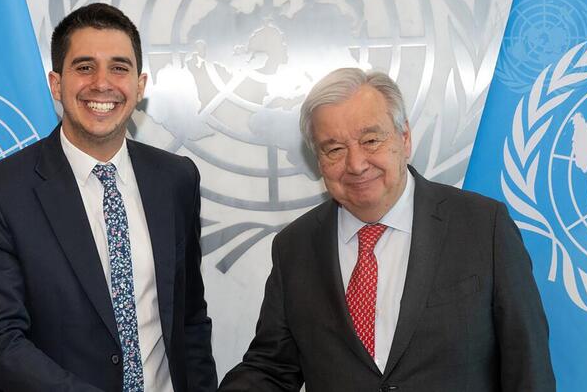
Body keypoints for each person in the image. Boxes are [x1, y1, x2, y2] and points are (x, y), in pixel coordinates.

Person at [218, 68, 555, 391]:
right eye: (334, 149)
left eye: (371, 140)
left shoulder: (483, 226)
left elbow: (527, 368)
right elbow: (272, 369)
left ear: (404, 138)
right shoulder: (295, 246)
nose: (356, 164)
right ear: (318, 160)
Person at [0, 3, 217, 392]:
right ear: (56, 84)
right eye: (84, 67)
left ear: (140, 85)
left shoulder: (176, 179)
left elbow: (190, 319)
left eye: (119, 68)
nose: (102, 83)